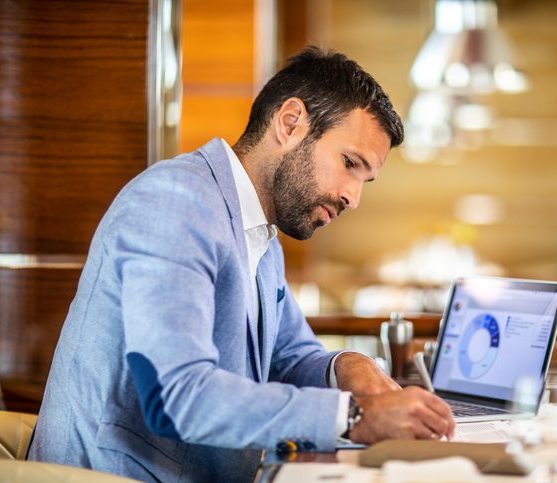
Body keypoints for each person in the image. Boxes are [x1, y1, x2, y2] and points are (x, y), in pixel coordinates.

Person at [28, 47, 455, 482]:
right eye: (349, 164)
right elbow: (176, 398)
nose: (353, 197)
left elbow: (290, 356)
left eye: (365, 179)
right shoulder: (174, 204)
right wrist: (353, 416)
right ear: (290, 124)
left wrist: (348, 366)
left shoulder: (263, 238)